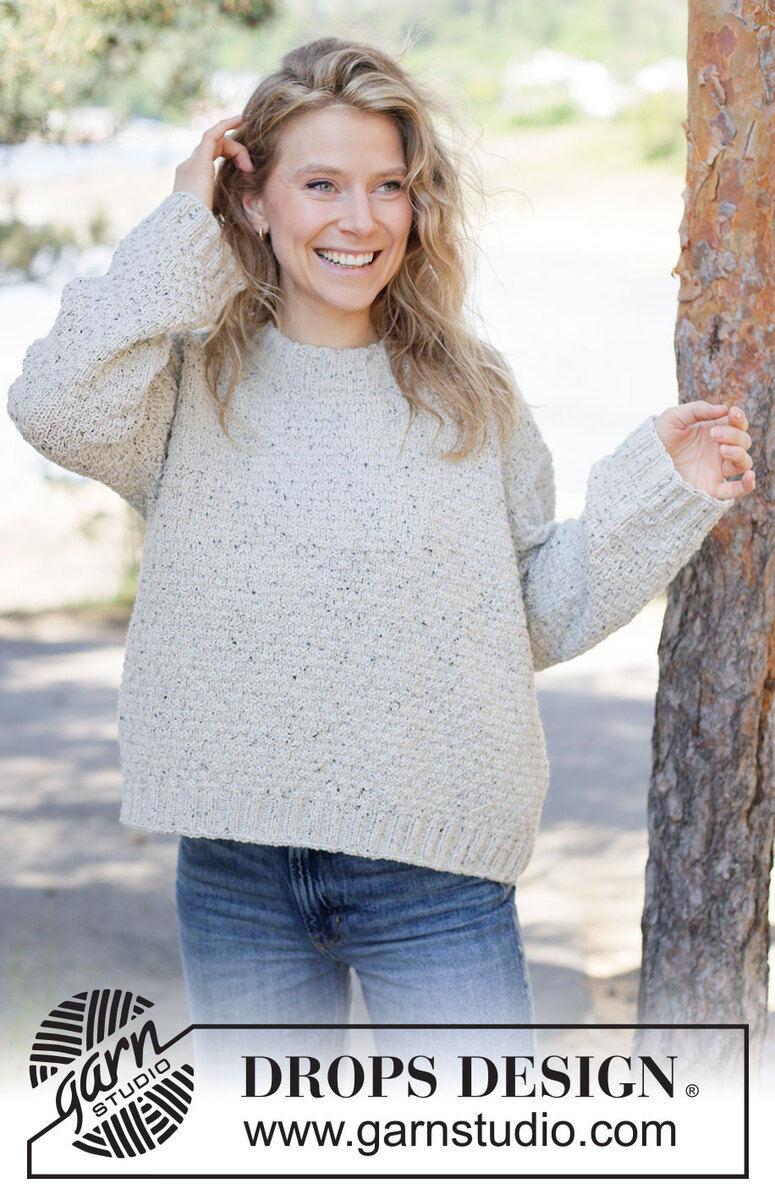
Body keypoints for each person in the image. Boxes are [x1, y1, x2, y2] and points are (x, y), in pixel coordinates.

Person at [7, 38, 755, 1070]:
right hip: (235, 872)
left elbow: (531, 614)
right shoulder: (186, 384)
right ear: (251, 199)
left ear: (416, 202)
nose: (360, 220)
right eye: (320, 184)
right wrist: (182, 220)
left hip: (435, 878)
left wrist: (655, 491)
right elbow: (53, 405)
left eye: (388, 186)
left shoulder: (468, 393)